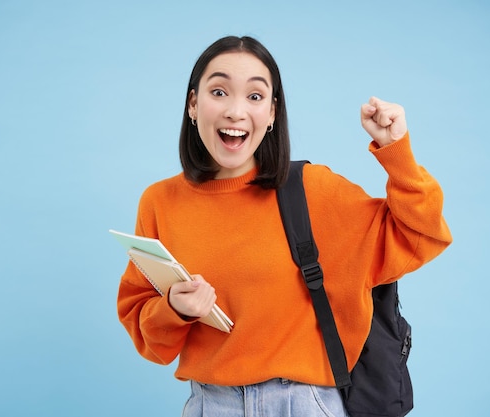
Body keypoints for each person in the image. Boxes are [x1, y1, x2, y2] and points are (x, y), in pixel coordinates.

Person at [117, 35, 452, 417]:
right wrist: (175, 308)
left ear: (273, 113)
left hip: (303, 404)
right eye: (219, 91)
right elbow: (148, 336)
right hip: (210, 405)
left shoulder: (313, 191)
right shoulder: (160, 202)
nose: (235, 111)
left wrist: (397, 152)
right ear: (193, 104)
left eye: (255, 96)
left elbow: (421, 235)